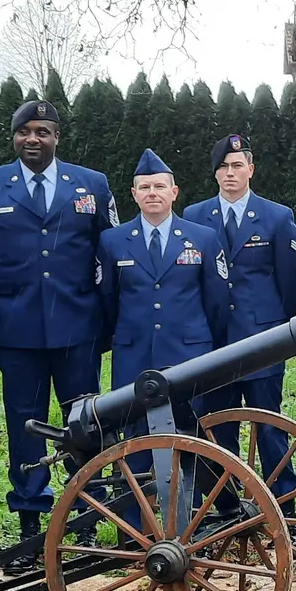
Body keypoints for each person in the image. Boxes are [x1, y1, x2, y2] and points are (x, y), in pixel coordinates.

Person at [0, 99, 116, 575]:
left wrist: (107, 324)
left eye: (43, 131)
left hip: (77, 328)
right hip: (16, 331)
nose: (33, 139)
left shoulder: (91, 185)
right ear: (14, 137)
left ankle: (87, 520)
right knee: (23, 427)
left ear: (56, 137)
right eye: (24, 131)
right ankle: (30, 525)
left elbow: (107, 256)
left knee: (87, 423)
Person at [98, 149, 232, 530]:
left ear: (175, 192)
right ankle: (133, 528)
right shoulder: (112, 241)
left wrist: (205, 344)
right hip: (133, 354)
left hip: (187, 354)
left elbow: (217, 302)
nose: (152, 193)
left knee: (188, 438)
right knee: (134, 440)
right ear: (134, 194)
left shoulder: (203, 238)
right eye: (144, 187)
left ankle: (187, 525)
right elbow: (107, 301)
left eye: (160, 186)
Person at [183, 135, 296, 506]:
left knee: (269, 427)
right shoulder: (194, 216)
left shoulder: (276, 216)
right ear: (215, 173)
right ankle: (225, 508)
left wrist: (272, 325)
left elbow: (290, 282)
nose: (230, 173)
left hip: (261, 340)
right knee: (219, 429)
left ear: (251, 169)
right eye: (223, 166)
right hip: (214, 343)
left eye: (237, 165)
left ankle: (283, 506)